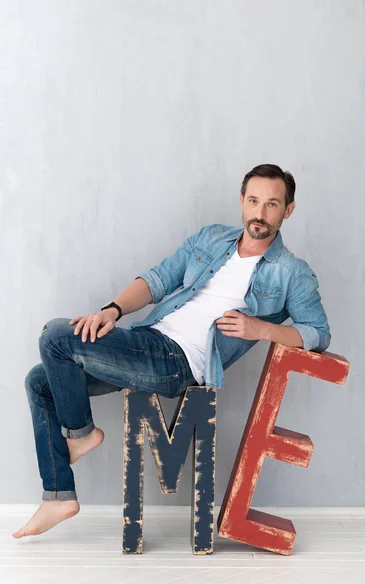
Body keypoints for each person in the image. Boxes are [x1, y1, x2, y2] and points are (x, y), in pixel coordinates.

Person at [13, 163, 330, 538]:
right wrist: (111, 312)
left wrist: (260, 329)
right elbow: (157, 280)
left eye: (272, 204)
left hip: (178, 363)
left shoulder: (292, 272)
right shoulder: (210, 239)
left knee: (55, 336)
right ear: (242, 201)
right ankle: (59, 495)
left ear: (288, 210)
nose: (260, 213)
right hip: (148, 340)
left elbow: (318, 333)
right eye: (254, 201)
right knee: (40, 380)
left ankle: (80, 433)